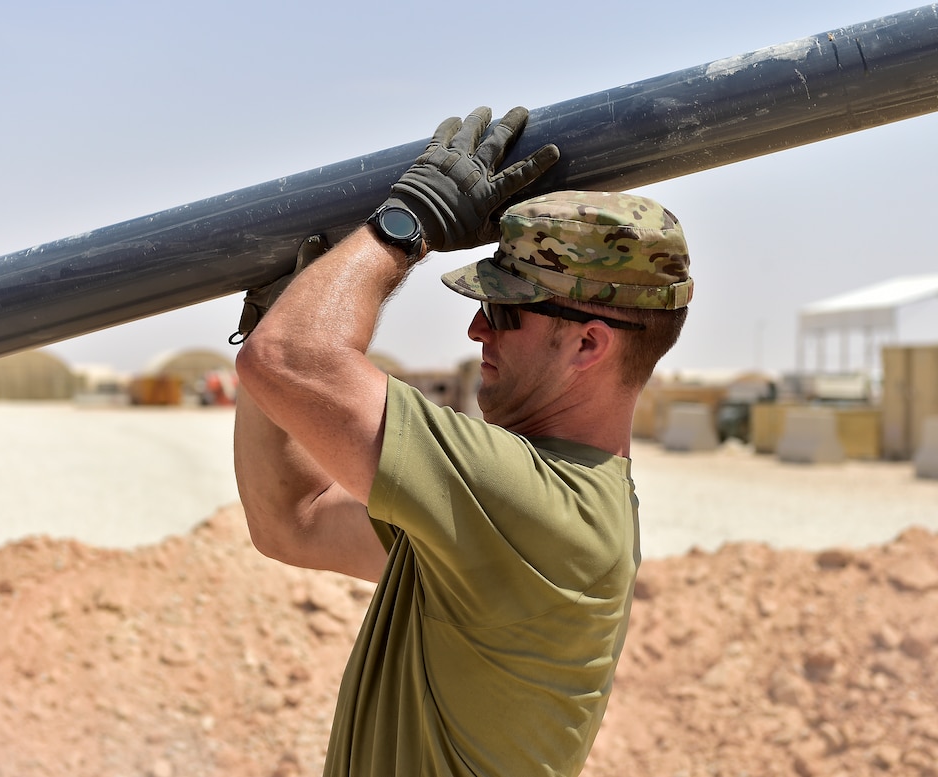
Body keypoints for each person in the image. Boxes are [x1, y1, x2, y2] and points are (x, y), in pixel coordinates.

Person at [232, 106, 693, 776]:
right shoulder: (518, 510)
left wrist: (413, 216)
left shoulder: (537, 509)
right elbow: (293, 520)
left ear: (589, 343)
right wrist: (282, 312)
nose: (477, 330)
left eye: (503, 312)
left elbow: (290, 361)